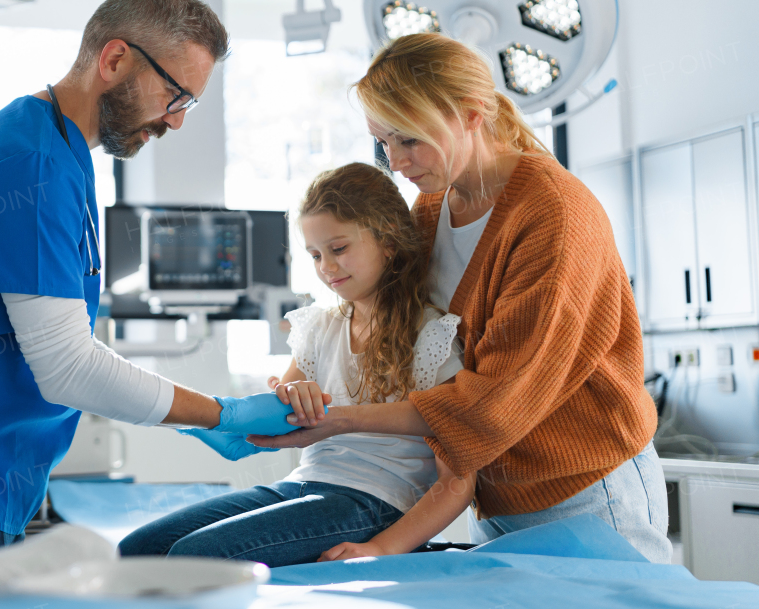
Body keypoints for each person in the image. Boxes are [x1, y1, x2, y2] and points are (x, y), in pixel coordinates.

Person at [0, 0, 300, 557]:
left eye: (191, 104)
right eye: (175, 95)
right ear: (114, 60)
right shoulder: (28, 163)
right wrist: (217, 413)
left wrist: (191, 421)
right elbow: (66, 366)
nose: (177, 119)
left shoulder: (62, 152)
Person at [250, 33, 671, 563]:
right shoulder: (432, 206)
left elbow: (493, 403)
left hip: (585, 489)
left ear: (472, 115)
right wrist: (305, 374)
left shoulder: (554, 216)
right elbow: (400, 332)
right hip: (492, 493)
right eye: (383, 141)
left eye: (410, 140)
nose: (395, 162)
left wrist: (342, 418)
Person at [119, 163, 472, 566]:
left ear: (388, 241)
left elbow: (458, 480)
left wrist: (382, 547)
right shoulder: (320, 327)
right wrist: (271, 404)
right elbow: (282, 415)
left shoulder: (429, 335)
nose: (327, 267)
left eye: (339, 249)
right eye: (315, 255)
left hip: (378, 502)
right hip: (303, 484)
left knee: (194, 557)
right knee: (136, 551)